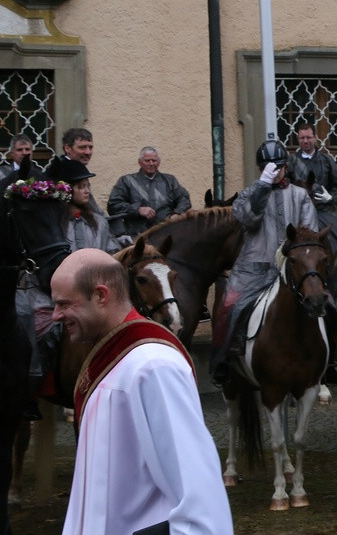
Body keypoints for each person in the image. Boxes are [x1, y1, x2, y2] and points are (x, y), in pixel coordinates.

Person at [50, 248, 233, 535]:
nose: (55, 315)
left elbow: (199, 500)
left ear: (100, 296)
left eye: (63, 304)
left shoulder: (153, 367)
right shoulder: (114, 359)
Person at [17, 157, 120, 420]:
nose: (86, 190)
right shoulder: (54, 222)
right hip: (49, 295)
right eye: (80, 185)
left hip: (92, 296)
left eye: (87, 185)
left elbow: (110, 255)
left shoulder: (100, 222)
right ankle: (34, 386)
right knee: (43, 330)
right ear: (65, 190)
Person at [210, 139, 319, 386]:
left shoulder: (301, 195)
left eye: (279, 167)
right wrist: (262, 187)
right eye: (269, 168)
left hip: (293, 267)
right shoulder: (250, 193)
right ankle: (224, 361)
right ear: (261, 170)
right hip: (254, 266)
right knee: (230, 306)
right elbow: (248, 221)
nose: (276, 171)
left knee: (326, 304)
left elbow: (310, 233)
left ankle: (329, 361)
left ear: (286, 167)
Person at [288, 122, 337, 253]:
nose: (305, 141)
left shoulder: (326, 160)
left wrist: (331, 197)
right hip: (299, 211)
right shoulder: (291, 162)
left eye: (308, 137)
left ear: (315, 137)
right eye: (302, 138)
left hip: (324, 210)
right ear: (298, 139)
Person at [107, 146, 192, 237]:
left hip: (166, 235)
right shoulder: (126, 181)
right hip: (137, 237)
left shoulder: (170, 180)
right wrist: (138, 209)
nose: (151, 163)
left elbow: (184, 198)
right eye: (147, 161)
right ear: (140, 162)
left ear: (159, 162)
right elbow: (113, 205)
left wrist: (177, 213)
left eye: (154, 160)